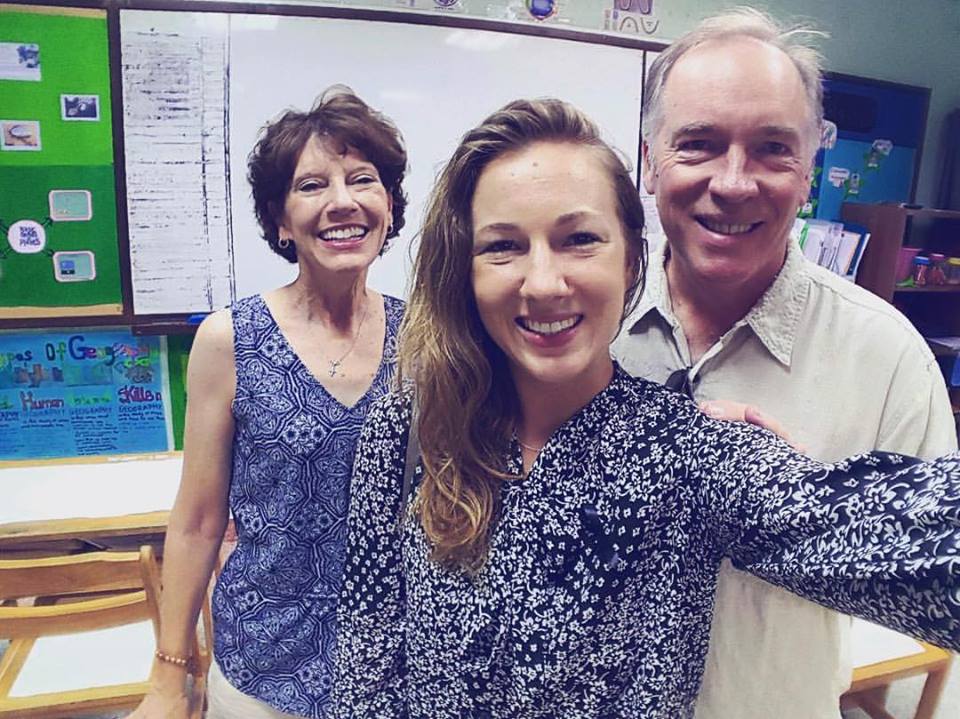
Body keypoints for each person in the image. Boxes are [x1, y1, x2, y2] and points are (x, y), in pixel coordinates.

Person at [332, 97, 960, 719]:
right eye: (503, 246)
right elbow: (367, 649)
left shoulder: (687, 454)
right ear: (464, 270)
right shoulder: (415, 423)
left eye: (580, 239)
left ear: (631, 258)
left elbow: (893, 538)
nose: (543, 283)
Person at [609, 9, 957, 719]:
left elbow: (936, 576)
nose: (734, 182)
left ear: (809, 171)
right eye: (699, 144)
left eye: (772, 148)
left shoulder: (887, 356)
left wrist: (795, 502)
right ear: (649, 160)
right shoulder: (579, 326)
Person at [130, 86, 407, 719]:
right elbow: (198, 521)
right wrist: (170, 675)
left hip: (395, 672)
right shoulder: (230, 339)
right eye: (312, 185)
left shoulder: (423, 338)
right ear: (281, 220)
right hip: (263, 665)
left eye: (362, 179)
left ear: (388, 206)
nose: (343, 201)